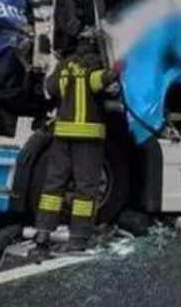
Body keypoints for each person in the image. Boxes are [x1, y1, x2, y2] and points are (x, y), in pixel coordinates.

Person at [33, 40, 122, 253]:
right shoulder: (93, 64)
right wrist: (116, 70)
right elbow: (97, 81)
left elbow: (51, 88)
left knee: (54, 185)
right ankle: (79, 238)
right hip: (87, 137)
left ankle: (43, 231)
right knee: (86, 188)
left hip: (62, 135)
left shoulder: (65, 65)